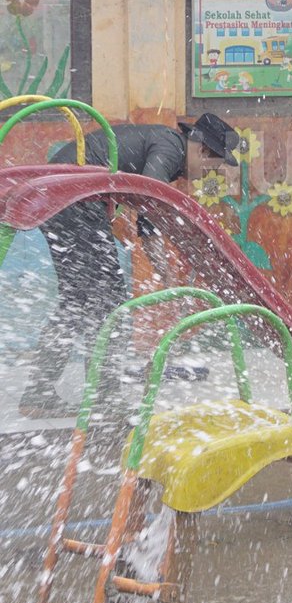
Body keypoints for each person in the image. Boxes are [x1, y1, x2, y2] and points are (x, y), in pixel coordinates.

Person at [18, 113, 240, 419]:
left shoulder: (166, 148)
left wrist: (167, 279)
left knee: (78, 301)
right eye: (211, 166)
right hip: (75, 203)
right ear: (202, 150)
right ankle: (104, 397)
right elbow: (148, 203)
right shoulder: (170, 146)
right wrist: (168, 278)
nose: (207, 175)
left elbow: (147, 219)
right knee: (109, 303)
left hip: (62, 201)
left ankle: (39, 394)